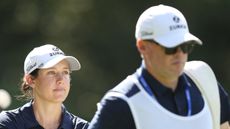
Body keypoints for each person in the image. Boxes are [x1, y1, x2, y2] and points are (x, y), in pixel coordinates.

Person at [88, 4, 230, 129]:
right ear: (142, 46)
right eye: (171, 47)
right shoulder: (120, 104)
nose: (180, 54)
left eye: (185, 46)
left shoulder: (204, 80)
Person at [0, 44, 89, 129]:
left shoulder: (83, 127)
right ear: (30, 80)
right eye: (51, 72)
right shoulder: (8, 123)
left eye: (65, 72)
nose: (60, 80)